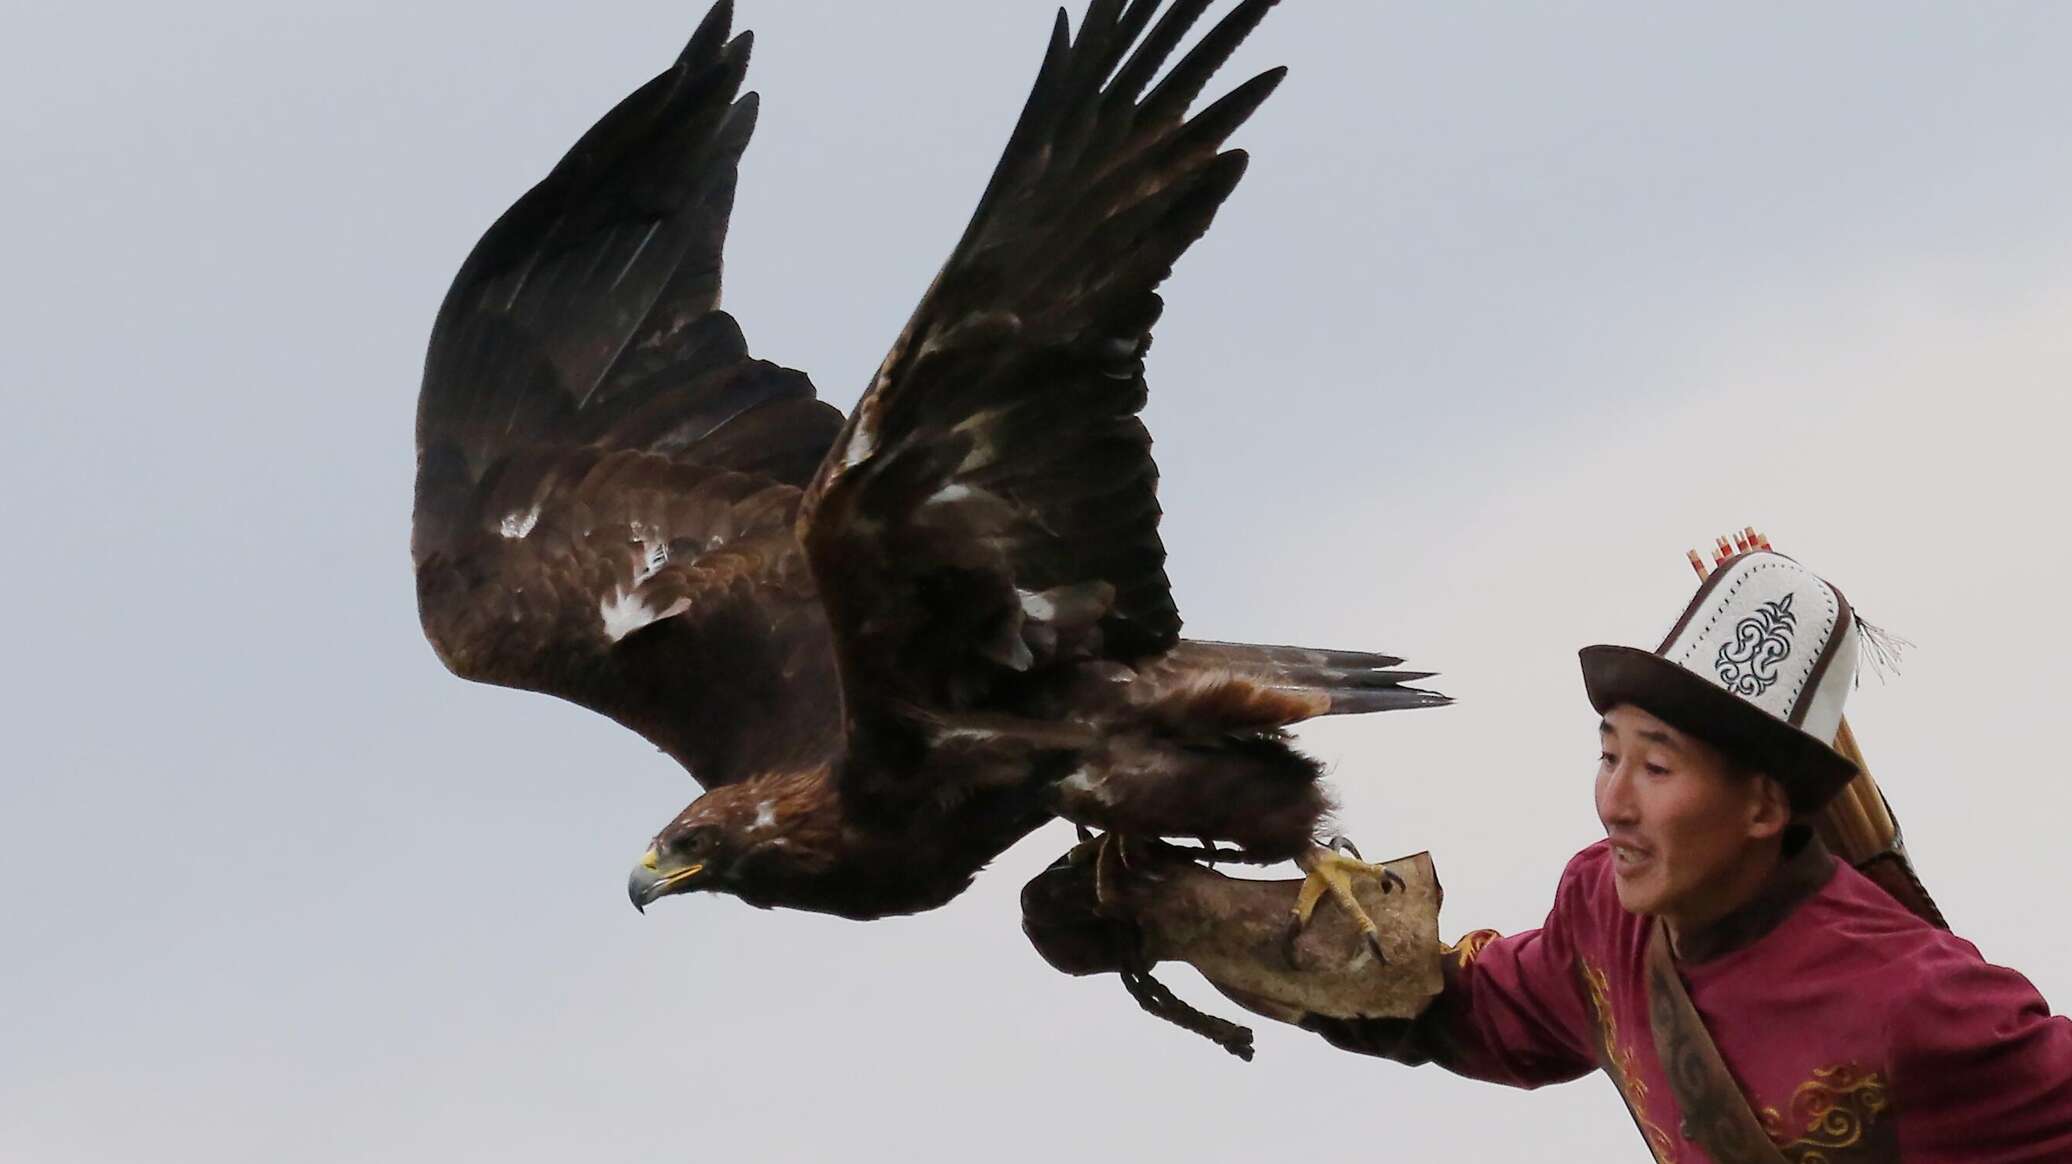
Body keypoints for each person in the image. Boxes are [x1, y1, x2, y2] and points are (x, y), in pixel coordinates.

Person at [1147, 550, 2072, 1161]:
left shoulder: (1922, 1002)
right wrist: (1181, 918)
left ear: (1763, 806)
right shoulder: (1601, 912)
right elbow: (1461, 1009)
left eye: (1656, 767)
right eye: (1608, 755)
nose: (1614, 802)